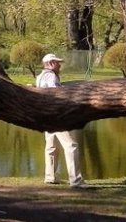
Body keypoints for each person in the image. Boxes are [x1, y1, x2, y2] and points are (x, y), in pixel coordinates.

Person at [35, 53, 87, 188]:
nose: (59, 65)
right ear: (51, 63)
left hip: (46, 116)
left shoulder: (40, 76)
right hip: (57, 116)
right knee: (71, 146)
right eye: (57, 63)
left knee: (51, 147)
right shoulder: (51, 76)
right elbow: (56, 93)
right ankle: (76, 180)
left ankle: (50, 177)